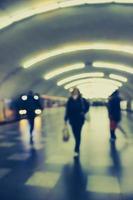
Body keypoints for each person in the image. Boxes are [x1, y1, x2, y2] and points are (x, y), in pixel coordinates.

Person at [64, 88, 90, 156]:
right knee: (75, 133)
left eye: (76, 92)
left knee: (78, 133)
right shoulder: (70, 100)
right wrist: (65, 119)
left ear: (78, 92)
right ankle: (77, 143)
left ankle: (76, 148)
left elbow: (87, 106)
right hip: (72, 119)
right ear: (72, 93)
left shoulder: (82, 100)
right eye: (74, 92)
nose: (75, 93)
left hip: (80, 119)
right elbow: (67, 110)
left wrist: (84, 112)